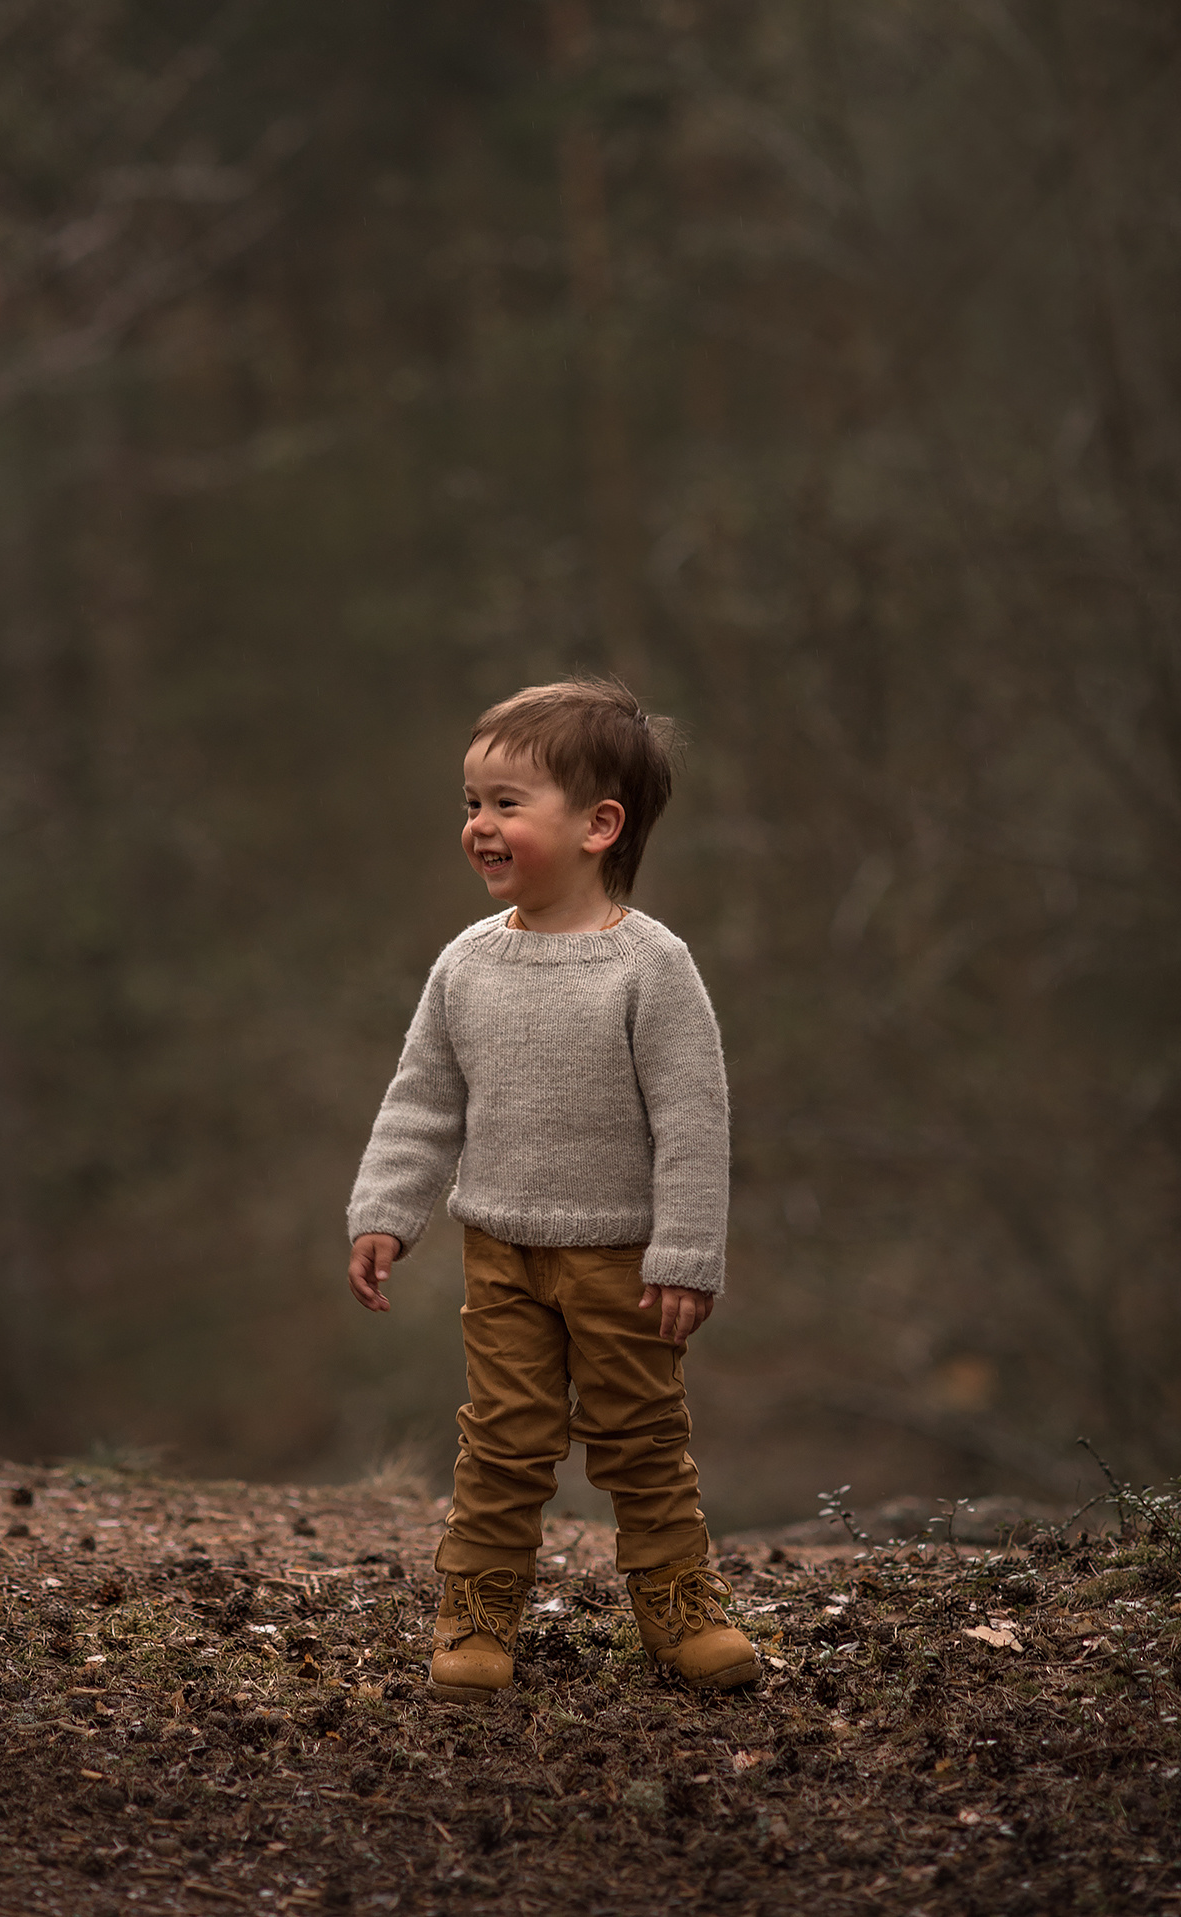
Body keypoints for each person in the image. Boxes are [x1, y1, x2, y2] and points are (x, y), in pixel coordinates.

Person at [346, 677, 759, 1699]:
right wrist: (385, 1214)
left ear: (597, 825)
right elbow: (421, 1102)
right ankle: (476, 1614)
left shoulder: (649, 967)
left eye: (504, 804)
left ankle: (677, 1604)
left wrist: (684, 1255)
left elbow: (693, 1123)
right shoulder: (466, 965)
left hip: (622, 1260)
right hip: (501, 1255)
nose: (478, 826)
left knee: (641, 1441)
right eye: (469, 803)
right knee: (503, 1440)